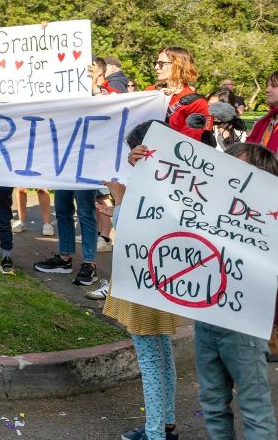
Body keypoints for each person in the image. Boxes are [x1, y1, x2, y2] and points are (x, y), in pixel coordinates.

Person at [192, 142, 277, 440]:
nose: (225, 175)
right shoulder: (209, 207)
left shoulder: (268, 222)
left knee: (255, 408)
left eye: (235, 170)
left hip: (245, 326)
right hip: (206, 318)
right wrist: (144, 166)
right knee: (212, 402)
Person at [102, 120, 182, 440]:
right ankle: (165, 423)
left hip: (142, 281)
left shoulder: (150, 185)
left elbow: (131, 224)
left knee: (150, 359)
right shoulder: (177, 181)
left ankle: (155, 433)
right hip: (161, 278)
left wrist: (119, 198)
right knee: (162, 351)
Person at [155, 46, 211, 141]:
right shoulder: (152, 92)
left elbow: (186, 143)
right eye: (156, 63)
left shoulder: (197, 103)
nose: (156, 67)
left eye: (161, 63)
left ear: (178, 66)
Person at [246, 70, 278, 153]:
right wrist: (226, 135)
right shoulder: (266, 121)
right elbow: (249, 155)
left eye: (273, 85)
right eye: (267, 86)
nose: (267, 90)